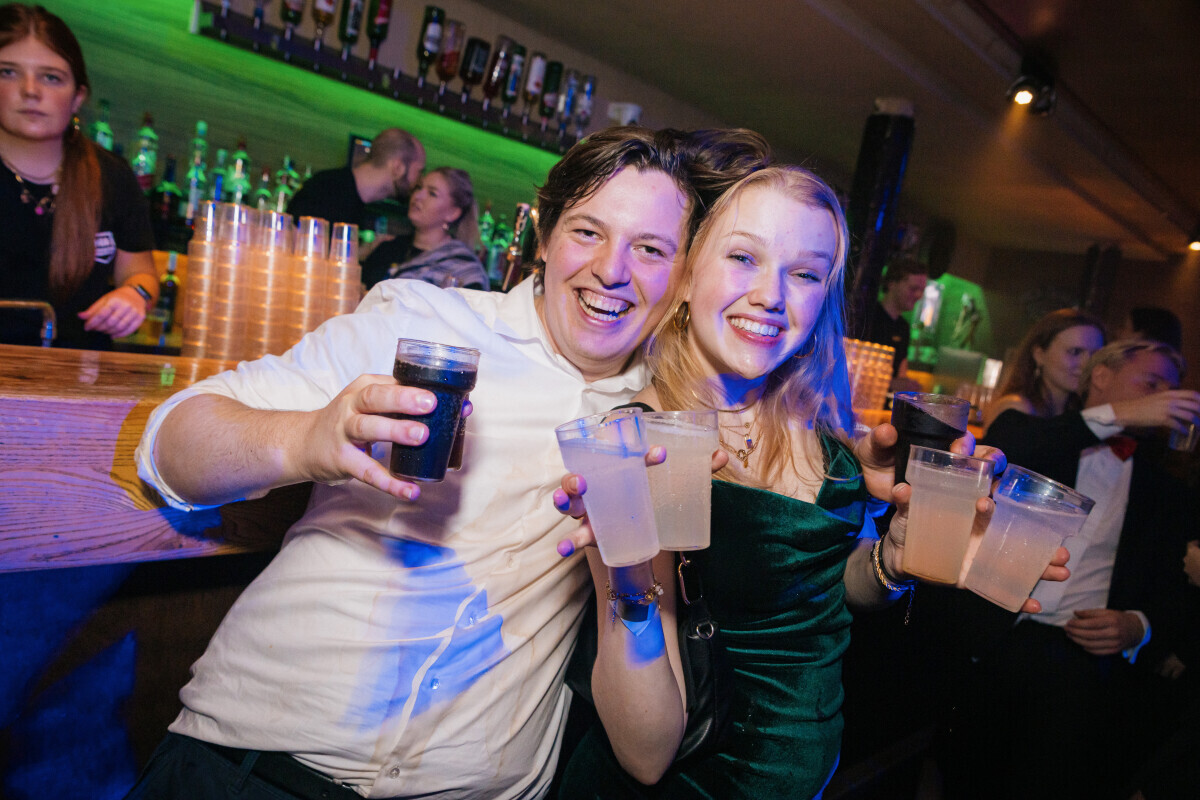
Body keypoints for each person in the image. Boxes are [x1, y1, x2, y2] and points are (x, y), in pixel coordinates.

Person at [125, 126, 773, 800]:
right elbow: (169, 446)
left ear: (684, 275)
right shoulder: (422, 325)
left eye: (650, 249)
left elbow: (650, 747)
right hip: (253, 762)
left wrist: (632, 564)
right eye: (587, 232)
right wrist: (307, 439)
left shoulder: (659, 424)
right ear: (544, 238)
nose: (612, 269)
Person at [549, 166, 1065, 800]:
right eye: (743, 257)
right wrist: (627, 572)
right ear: (685, 277)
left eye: (805, 273)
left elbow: (832, 590)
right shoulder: (639, 448)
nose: (772, 295)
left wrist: (893, 559)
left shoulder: (824, 430)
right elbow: (646, 755)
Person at [935, 339, 1200, 800]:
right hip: (997, 638)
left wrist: (1138, 625)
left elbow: (1178, 585)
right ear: (1102, 376)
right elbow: (1007, 450)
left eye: (1170, 389)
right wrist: (1118, 415)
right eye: (1152, 383)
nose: (1164, 398)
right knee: (966, 777)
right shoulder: (1038, 433)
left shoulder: (1166, 481)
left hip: (1081, 659)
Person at [0, 3, 157, 350]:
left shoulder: (111, 176)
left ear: (77, 97)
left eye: (51, 77)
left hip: (80, 372)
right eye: (8, 72)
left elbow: (141, 274)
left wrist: (134, 295)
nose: (30, 90)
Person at [360, 166, 487, 290]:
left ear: (452, 213)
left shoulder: (463, 266)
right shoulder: (388, 248)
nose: (418, 196)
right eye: (419, 187)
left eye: (432, 193)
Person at [981, 307, 1106, 432]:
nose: (1086, 364)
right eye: (1075, 352)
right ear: (1039, 355)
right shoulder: (1017, 409)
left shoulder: (1075, 413)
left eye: (1095, 355)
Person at [286, 127, 424, 230]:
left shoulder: (352, 199)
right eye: (419, 172)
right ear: (398, 168)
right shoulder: (325, 191)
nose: (420, 181)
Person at [856, 255, 928, 389]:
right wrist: (893, 383)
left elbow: (901, 372)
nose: (919, 295)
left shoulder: (903, 327)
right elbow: (851, 370)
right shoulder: (866, 317)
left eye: (922, 290)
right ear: (892, 284)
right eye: (913, 288)